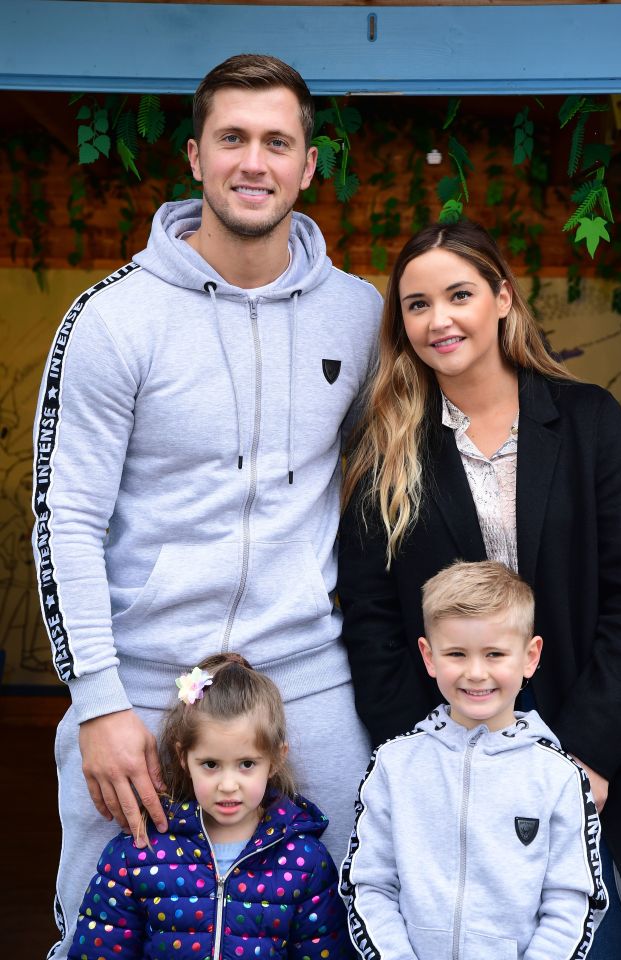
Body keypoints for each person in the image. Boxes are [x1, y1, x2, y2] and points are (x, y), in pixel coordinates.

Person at [32, 53, 381, 958]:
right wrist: (98, 701)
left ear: (309, 165)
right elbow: (62, 517)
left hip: (304, 675)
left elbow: (394, 487)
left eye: (277, 141)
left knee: (340, 919)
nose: (252, 162)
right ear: (195, 156)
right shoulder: (114, 319)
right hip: (146, 683)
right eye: (232, 138)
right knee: (105, 932)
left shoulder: (360, 316)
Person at [338, 220, 621, 960]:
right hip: (454, 748)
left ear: (501, 298)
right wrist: (428, 758)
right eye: (416, 304)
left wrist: (587, 755)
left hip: (599, 733)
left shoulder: (589, 420)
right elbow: (370, 622)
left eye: (459, 294)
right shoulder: (388, 449)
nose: (439, 320)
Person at [341, 560, 608, 960]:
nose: (476, 672)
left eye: (495, 653)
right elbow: (370, 885)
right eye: (457, 654)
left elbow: (572, 901)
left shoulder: (560, 776)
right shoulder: (394, 765)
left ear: (530, 656)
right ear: (429, 657)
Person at [69, 653, 352, 960]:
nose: (228, 784)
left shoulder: (304, 861)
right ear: (183, 758)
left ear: (275, 759)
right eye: (211, 764)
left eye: (246, 764)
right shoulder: (138, 852)